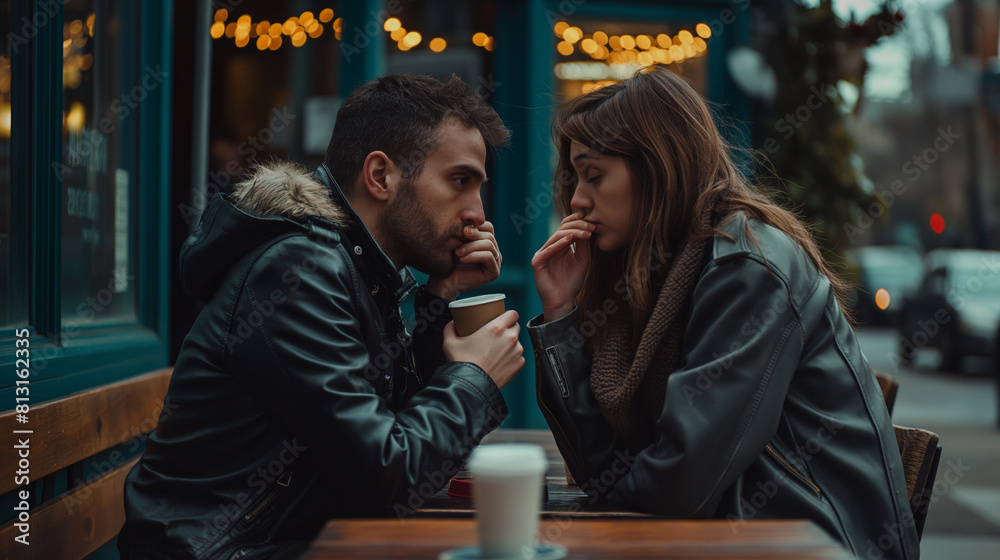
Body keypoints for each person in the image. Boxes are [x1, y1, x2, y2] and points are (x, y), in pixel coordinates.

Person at [119, 74, 524, 559]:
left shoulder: (357, 267)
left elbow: (385, 431)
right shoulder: (298, 270)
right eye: (460, 181)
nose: (477, 213)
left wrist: (441, 299)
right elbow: (389, 474)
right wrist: (473, 377)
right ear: (380, 176)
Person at [528, 67, 918, 560]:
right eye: (575, 177)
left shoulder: (746, 266)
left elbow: (679, 486)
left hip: (813, 546)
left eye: (595, 174)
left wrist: (613, 494)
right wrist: (562, 313)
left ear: (657, 167)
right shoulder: (649, 276)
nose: (578, 200)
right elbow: (600, 468)